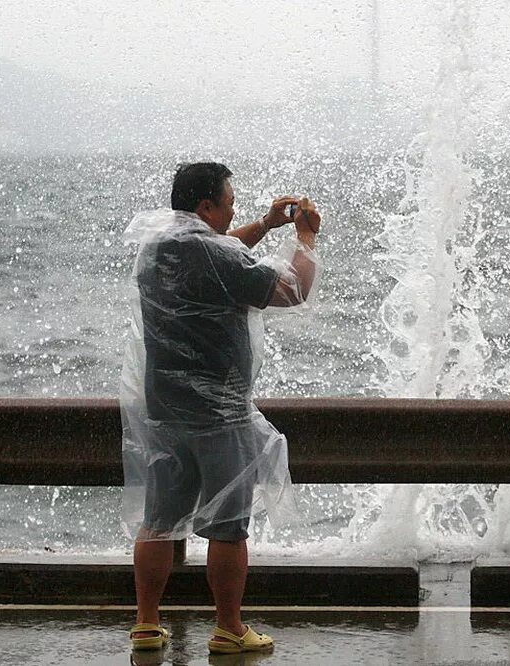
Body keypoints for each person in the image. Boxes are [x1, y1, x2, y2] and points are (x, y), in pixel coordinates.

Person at [120, 162, 321, 654]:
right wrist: (305, 239)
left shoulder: (157, 248)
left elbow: (220, 254)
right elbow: (291, 291)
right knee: (228, 528)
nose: (234, 209)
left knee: (159, 521)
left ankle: (146, 624)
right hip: (220, 417)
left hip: (164, 410)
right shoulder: (213, 253)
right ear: (205, 205)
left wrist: (266, 225)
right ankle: (229, 629)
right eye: (229, 202)